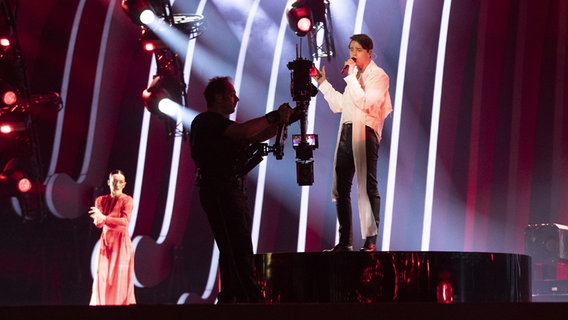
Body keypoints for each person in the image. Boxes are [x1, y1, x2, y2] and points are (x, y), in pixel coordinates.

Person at [190, 76, 293, 303]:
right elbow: (246, 132)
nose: (236, 99)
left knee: (233, 246)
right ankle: (250, 299)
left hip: (228, 188)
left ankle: (231, 297)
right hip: (218, 189)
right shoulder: (207, 121)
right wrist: (275, 116)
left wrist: (287, 120)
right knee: (237, 245)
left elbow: (256, 135)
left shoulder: (223, 129)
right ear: (218, 97)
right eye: (231, 94)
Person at [311, 34, 393, 252]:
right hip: (346, 132)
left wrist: (351, 78)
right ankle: (345, 242)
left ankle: (370, 241)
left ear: (369, 52)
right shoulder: (354, 77)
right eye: (350, 49)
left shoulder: (379, 76)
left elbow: (366, 103)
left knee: (367, 186)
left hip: (365, 132)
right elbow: (341, 105)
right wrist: (322, 83)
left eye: (357, 49)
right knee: (341, 189)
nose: (353, 54)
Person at [88, 169, 136, 305]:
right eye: (115, 181)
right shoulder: (101, 200)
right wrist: (98, 218)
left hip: (121, 243)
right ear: (109, 183)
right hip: (106, 242)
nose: (117, 184)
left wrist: (104, 217)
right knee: (102, 277)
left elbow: (125, 222)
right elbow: (99, 224)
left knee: (119, 280)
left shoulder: (127, 200)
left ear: (124, 184)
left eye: (120, 182)